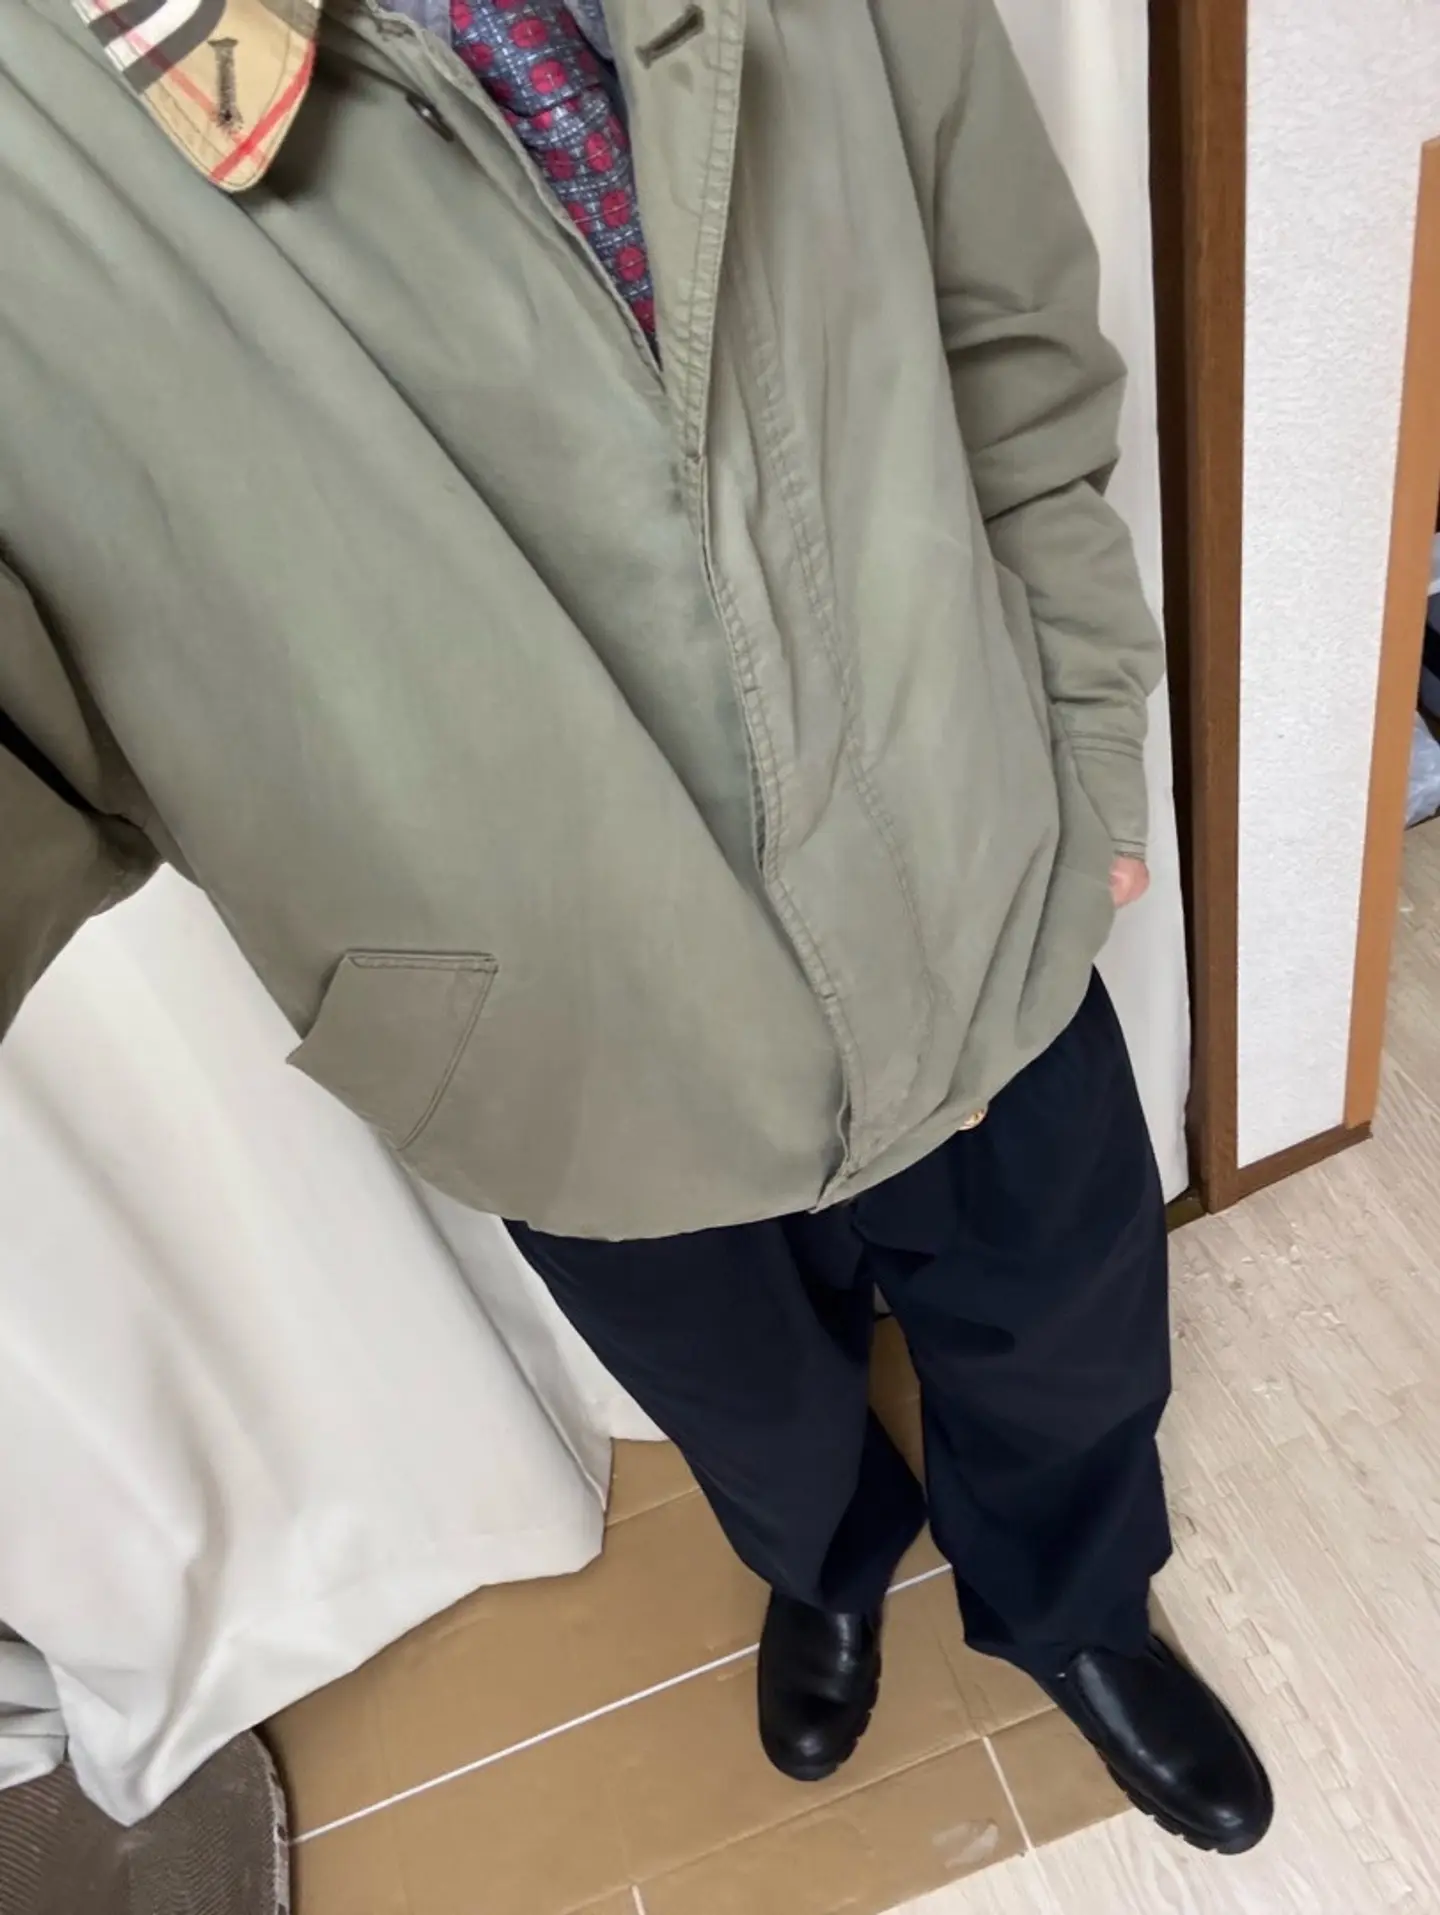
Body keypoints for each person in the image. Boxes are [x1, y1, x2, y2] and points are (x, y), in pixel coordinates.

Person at [0, 0, 1271, 1854]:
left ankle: (1075, 1606)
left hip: (971, 879)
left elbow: (1001, 317)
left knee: (1067, 1336)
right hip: (574, 1052)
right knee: (750, 1407)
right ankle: (829, 1568)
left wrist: (1078, 719)